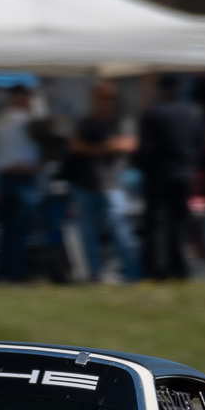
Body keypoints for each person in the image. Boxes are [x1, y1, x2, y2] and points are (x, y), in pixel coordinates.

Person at [65, 80, 139, 282]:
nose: (107, 102)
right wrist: (109, 145)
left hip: (113, 187)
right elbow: (76, 147)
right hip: (85, 187)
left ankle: (132, 276)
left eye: (111, 98)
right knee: (88, 236)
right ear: (93, 98)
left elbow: (130, 145)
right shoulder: (85, 123)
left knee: (121, 234)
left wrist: (96, 146)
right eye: (103, 97)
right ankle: (95, 276)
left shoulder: (120, 122)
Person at [135, 74, 205, 281]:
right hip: (185, 173)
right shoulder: (194, 113)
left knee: (158, 222)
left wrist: (142, 167)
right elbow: (200, 144)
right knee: (180, 223)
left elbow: (145, 150)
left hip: (160, 173)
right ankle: (180, 267)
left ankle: (159, 269)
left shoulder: (153, 114)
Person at [0, 84, 42, 282]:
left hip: (5, 178)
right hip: (21, 179)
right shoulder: (23, 120)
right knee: (20, 232)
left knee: (7, 230)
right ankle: (15, 273)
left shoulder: (2, 119)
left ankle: (3, 273)